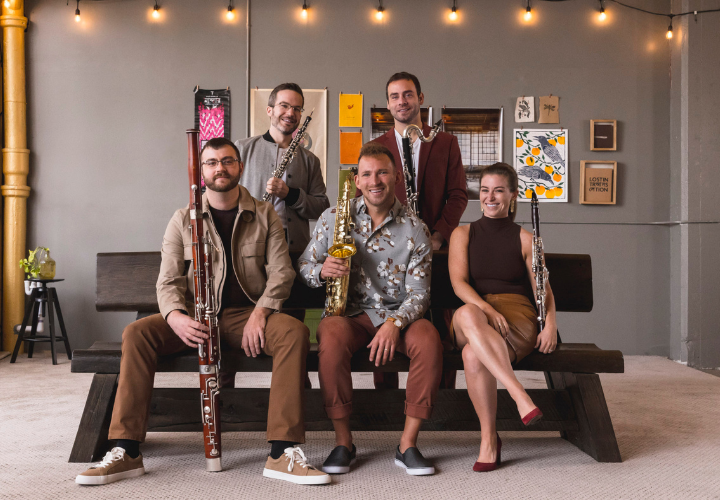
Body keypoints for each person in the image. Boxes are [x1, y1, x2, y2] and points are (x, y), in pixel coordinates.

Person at [75, 138, 329, 486]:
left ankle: (282, 452)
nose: (219, 168)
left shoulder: (264, 213)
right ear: (201, 172)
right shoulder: (182, 219)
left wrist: (261, 312)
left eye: (227, 161)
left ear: (240, 167)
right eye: (211, 162)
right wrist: (175, 317)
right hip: (194, 317)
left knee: (294, 332)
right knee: (136, 333)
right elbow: (167, 281)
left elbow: (281, 272)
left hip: (245, 315)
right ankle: (126, 450)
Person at [297, 142, 443, 476]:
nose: (374, 180)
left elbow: (420, 295)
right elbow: (304, 266)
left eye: (382, 172)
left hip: (399, 316)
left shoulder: (416, 228)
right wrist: (322, 271)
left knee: (429, 339)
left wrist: (395, 323)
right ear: (357, 181)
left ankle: (407, 444)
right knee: (330, 336)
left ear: (395, 177)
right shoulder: (333, 217)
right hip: (349, 315)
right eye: (366, 174)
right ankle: (343, 442)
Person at [447, 162, 558, 472]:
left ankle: (488, 440)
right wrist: (488, 310)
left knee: (473, 355)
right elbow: (459, 284)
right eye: (484, 190)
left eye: (498, 191)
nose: (490, 197)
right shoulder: (462, 234)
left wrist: (551, 323)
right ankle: (519, 394)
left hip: (516, 318)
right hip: (475, 312)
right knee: (468, 313)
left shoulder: (526, 239)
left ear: (513, 195)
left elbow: (543, 290)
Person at [371, 71, 467, 251]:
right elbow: (363, 198)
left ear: (421, 98)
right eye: (395, 97)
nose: (402, 101)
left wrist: (438, 236)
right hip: (387, 247)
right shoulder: (374, 148)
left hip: (433, 247)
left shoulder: (446, 143)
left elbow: (458, 195)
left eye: (408, 95)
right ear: (388, 104)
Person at [235, 82, 329, 253]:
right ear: (269, 110)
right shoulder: (242, 149)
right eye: (284, 105)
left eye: (297, 109)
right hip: (250, 244)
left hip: (293, 250)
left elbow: (322, 208)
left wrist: (291, 195)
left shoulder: (310, 160)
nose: (291, 113)